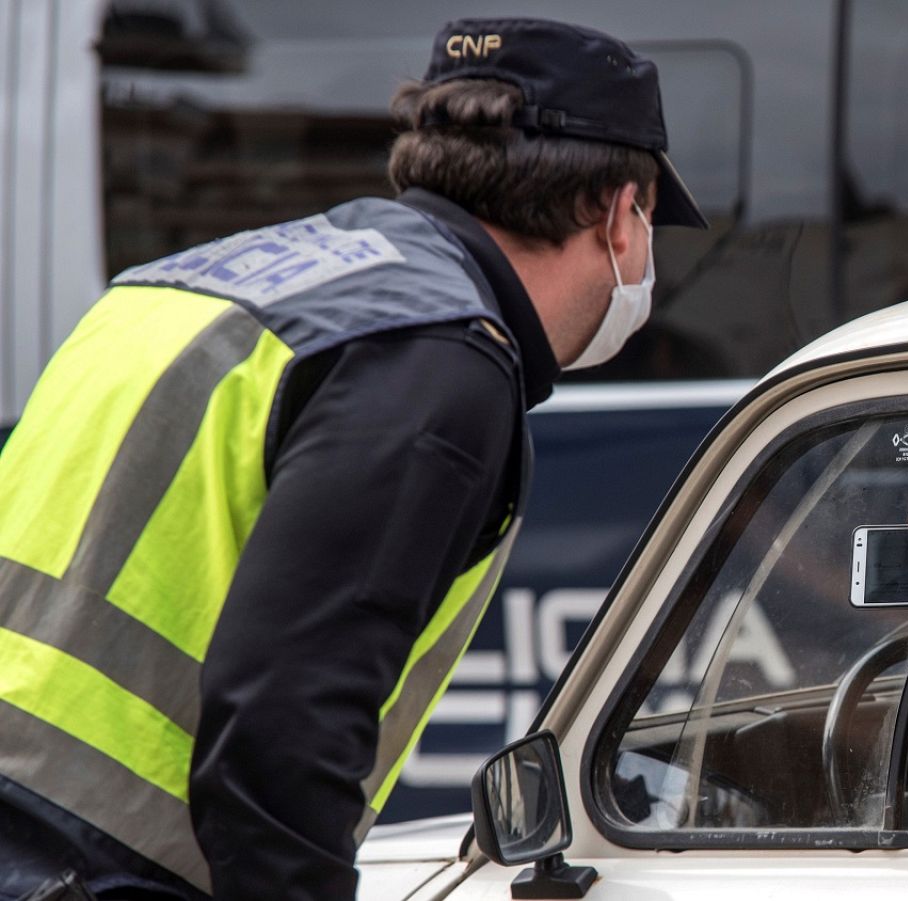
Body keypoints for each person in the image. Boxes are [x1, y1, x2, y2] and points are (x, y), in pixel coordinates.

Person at [0, 18, 706, 901]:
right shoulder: (438, 356)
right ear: (613, 213)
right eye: (648, 214)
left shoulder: (201, 276)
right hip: (88, 861)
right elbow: (284, 733)